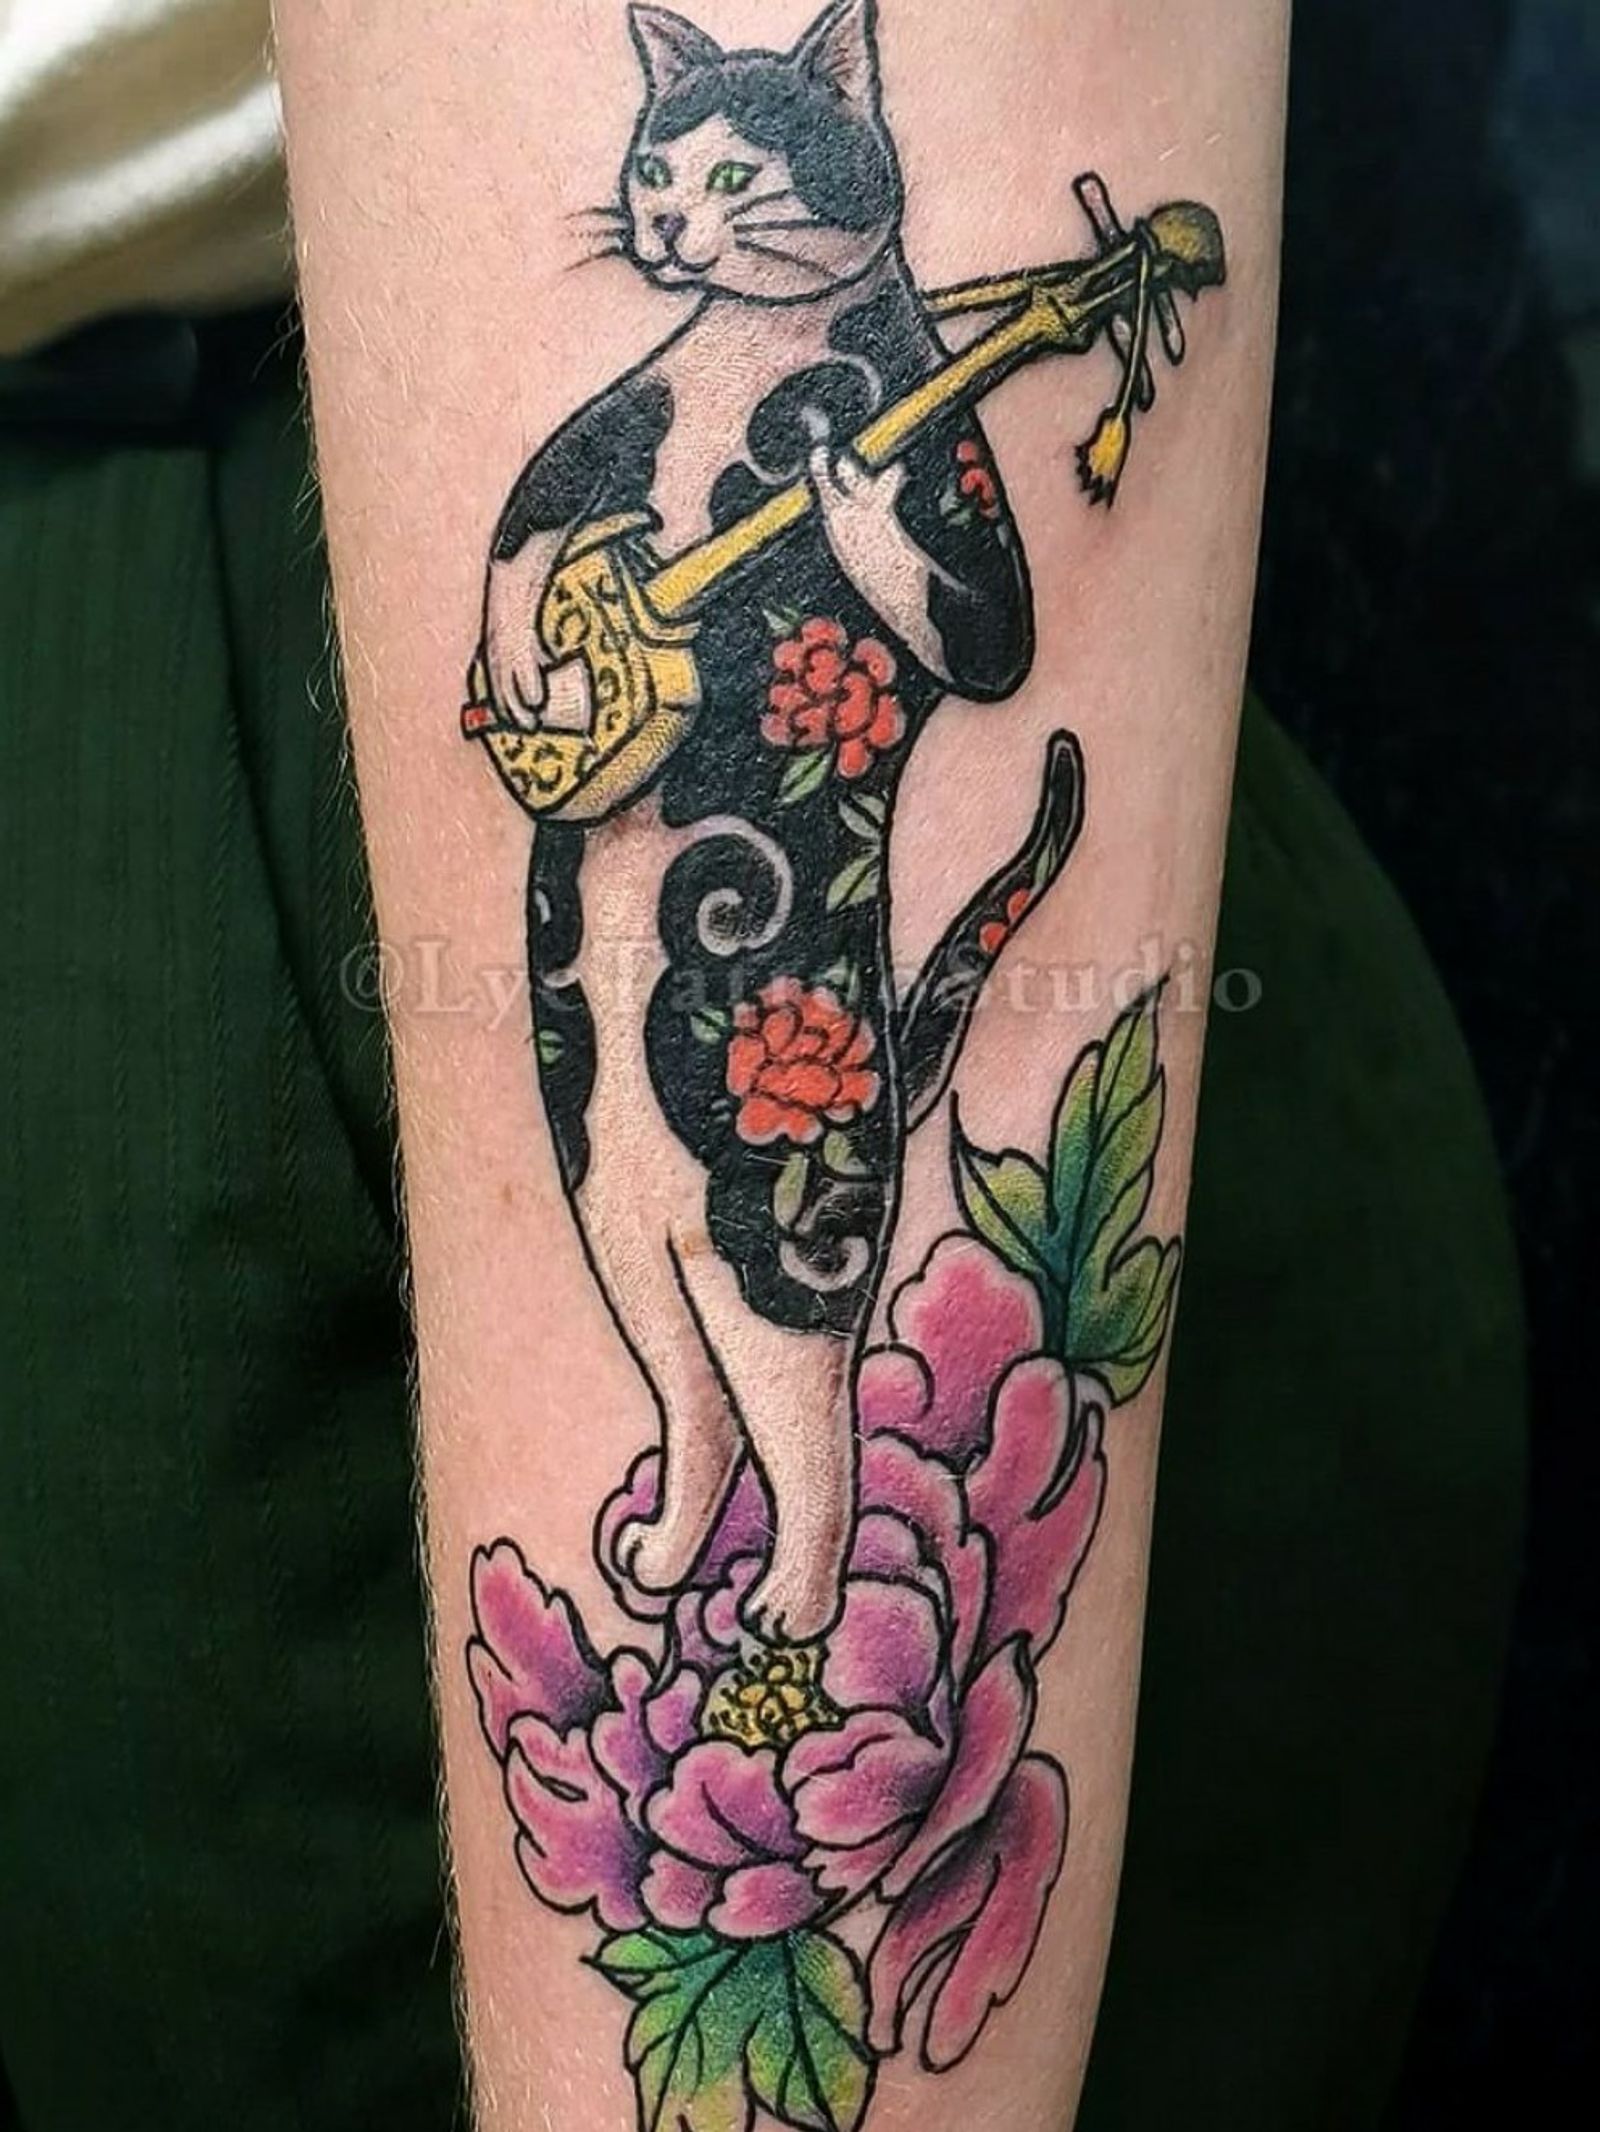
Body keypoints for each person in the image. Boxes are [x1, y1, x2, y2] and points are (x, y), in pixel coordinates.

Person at [0, 3, 1524, 2128]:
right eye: (670, 179)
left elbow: (984, 635)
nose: (683, 215)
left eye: (736, 180)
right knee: (626, 1193)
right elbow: (538, 527)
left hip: (711, 843)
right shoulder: (650, 389)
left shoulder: (885, 395)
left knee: (773, 1220)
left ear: (844, 159)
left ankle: (806, 1567)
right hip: (481, 830)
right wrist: (530, 626)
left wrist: (865, 529)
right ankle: (700, 1463)